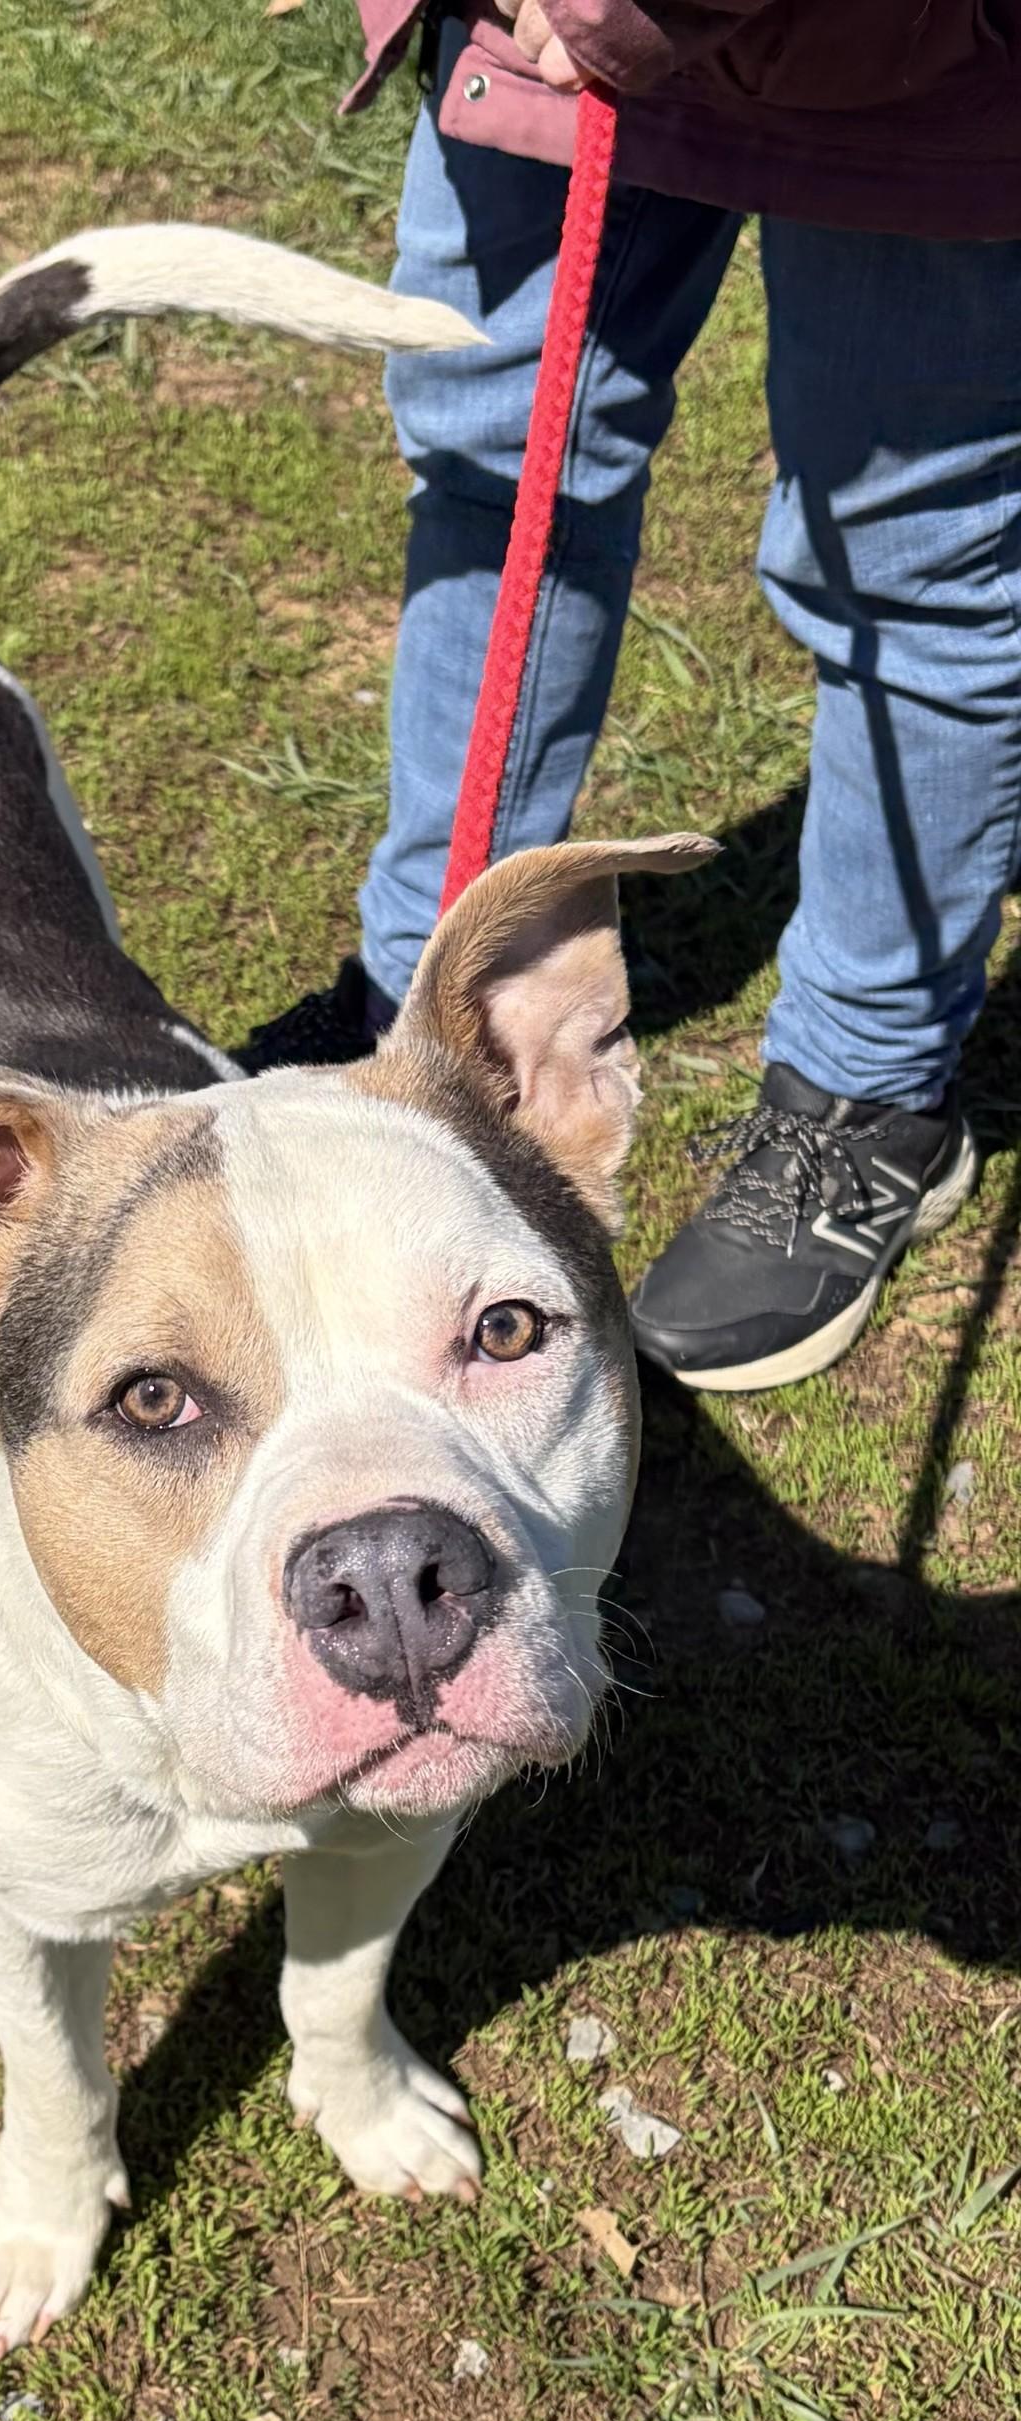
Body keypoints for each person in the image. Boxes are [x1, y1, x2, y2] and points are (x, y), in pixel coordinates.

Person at [247, 0, 1021, 1393]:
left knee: (911, 562)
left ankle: (872, 1087)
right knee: (497, 469)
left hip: (911, 56)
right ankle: (426, 997)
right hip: (537, 29)